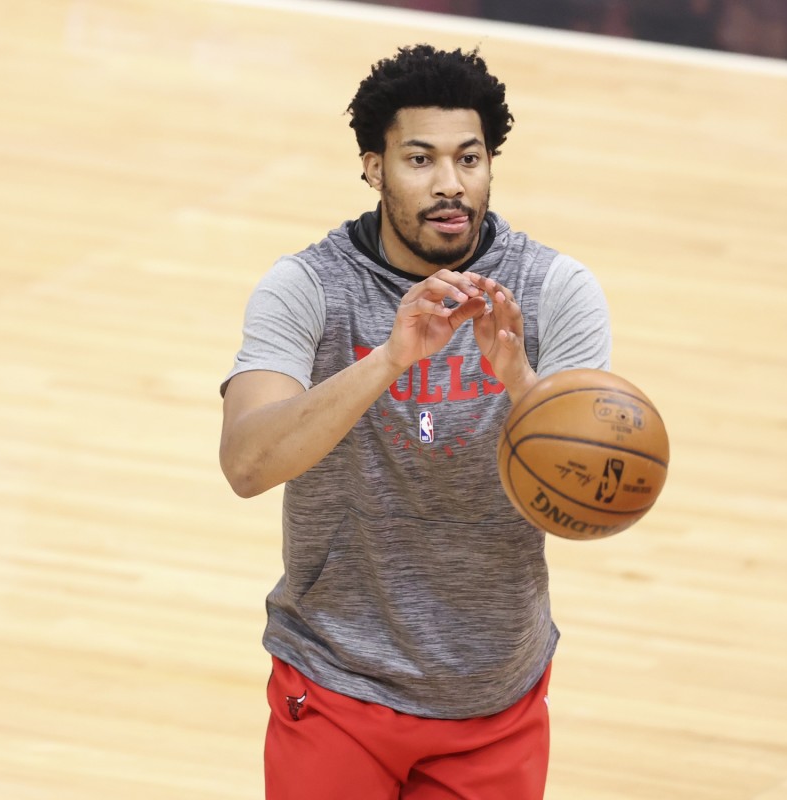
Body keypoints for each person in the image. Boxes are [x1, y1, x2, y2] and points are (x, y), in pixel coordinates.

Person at [219, 44, 611, 799]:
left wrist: (522, 385)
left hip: (493, 697)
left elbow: (586, 504)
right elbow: (246, 464)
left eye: (469, 159)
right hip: (335, 682)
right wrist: (388, 360)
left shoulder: (556, 292)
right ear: (373, 167)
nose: (450, 186)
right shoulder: (307, 287)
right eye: (420, 160)